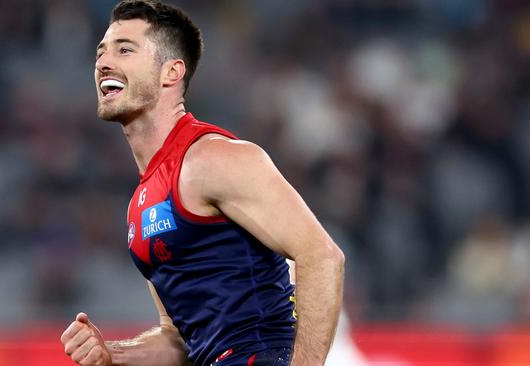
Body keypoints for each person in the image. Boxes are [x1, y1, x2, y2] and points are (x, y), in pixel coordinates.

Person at [60, 1, 345, 365]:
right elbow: (179, 341)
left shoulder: (214, 159)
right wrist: (112, 354)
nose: (103, 62)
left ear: (171, 72)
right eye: (101, 51)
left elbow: (322, 257)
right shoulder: (140, 205)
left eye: (124, 50)